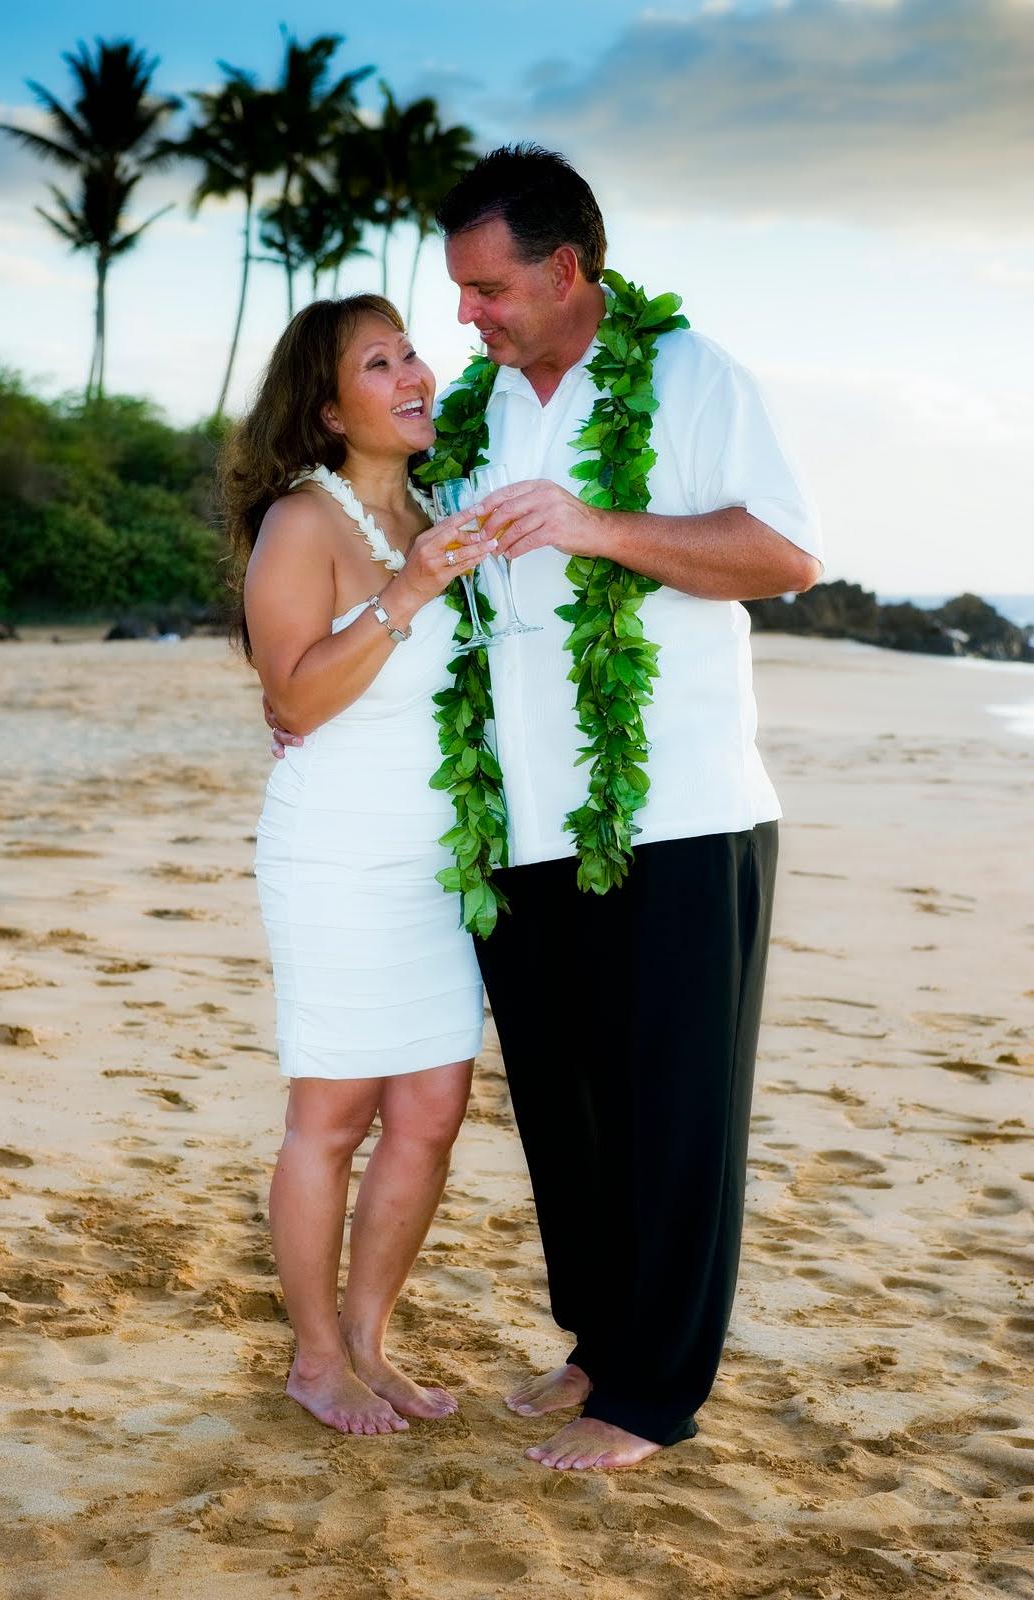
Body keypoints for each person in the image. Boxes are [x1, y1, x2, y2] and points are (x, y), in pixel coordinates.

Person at [272, 144, 823, 1472]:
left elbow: (787, 554)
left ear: (568, 269)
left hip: (679, 812)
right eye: (457, 293)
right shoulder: (475, 412)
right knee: (569, 1114)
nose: (467, 316)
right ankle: (598, 1343)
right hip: (517, 824)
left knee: (672, 1111)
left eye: (488, 288)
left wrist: (601, 526)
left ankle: (653, 1395)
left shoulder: (690, 377)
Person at [221, 294, 497, 1437]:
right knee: (331, 1114)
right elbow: (294, 693)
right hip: (337, 851)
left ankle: (373, 1340)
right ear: (331, 409)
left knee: (432, 1106)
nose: (414, 372)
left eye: (412, 350)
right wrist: (413, 587)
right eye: (378, 363)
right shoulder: (304, 521)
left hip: (434, 858)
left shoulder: (440, 507)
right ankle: (316, 1355)